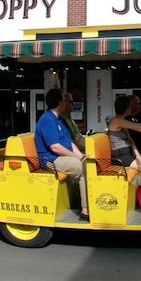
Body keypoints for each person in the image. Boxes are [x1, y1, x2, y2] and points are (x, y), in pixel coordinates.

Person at [34, 88, 89, 221]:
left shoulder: (59, 120)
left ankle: (80, 200)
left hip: (60, 157)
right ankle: (86, 211)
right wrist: (78, 158)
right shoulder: (47, 120)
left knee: (89, 163)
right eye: (65, 101)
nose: (67, 103)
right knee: (85, 168)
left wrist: (82, 156)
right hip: (50, 160)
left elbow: (69, 143)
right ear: (60, 103)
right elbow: (55, 147)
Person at [106, 95, 141, 212]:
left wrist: (138, 157)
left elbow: (131, 141)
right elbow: (138, 127)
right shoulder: (116, 121)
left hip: (129, 154)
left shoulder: (122, 122)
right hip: (121, 156)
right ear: (127, 109)